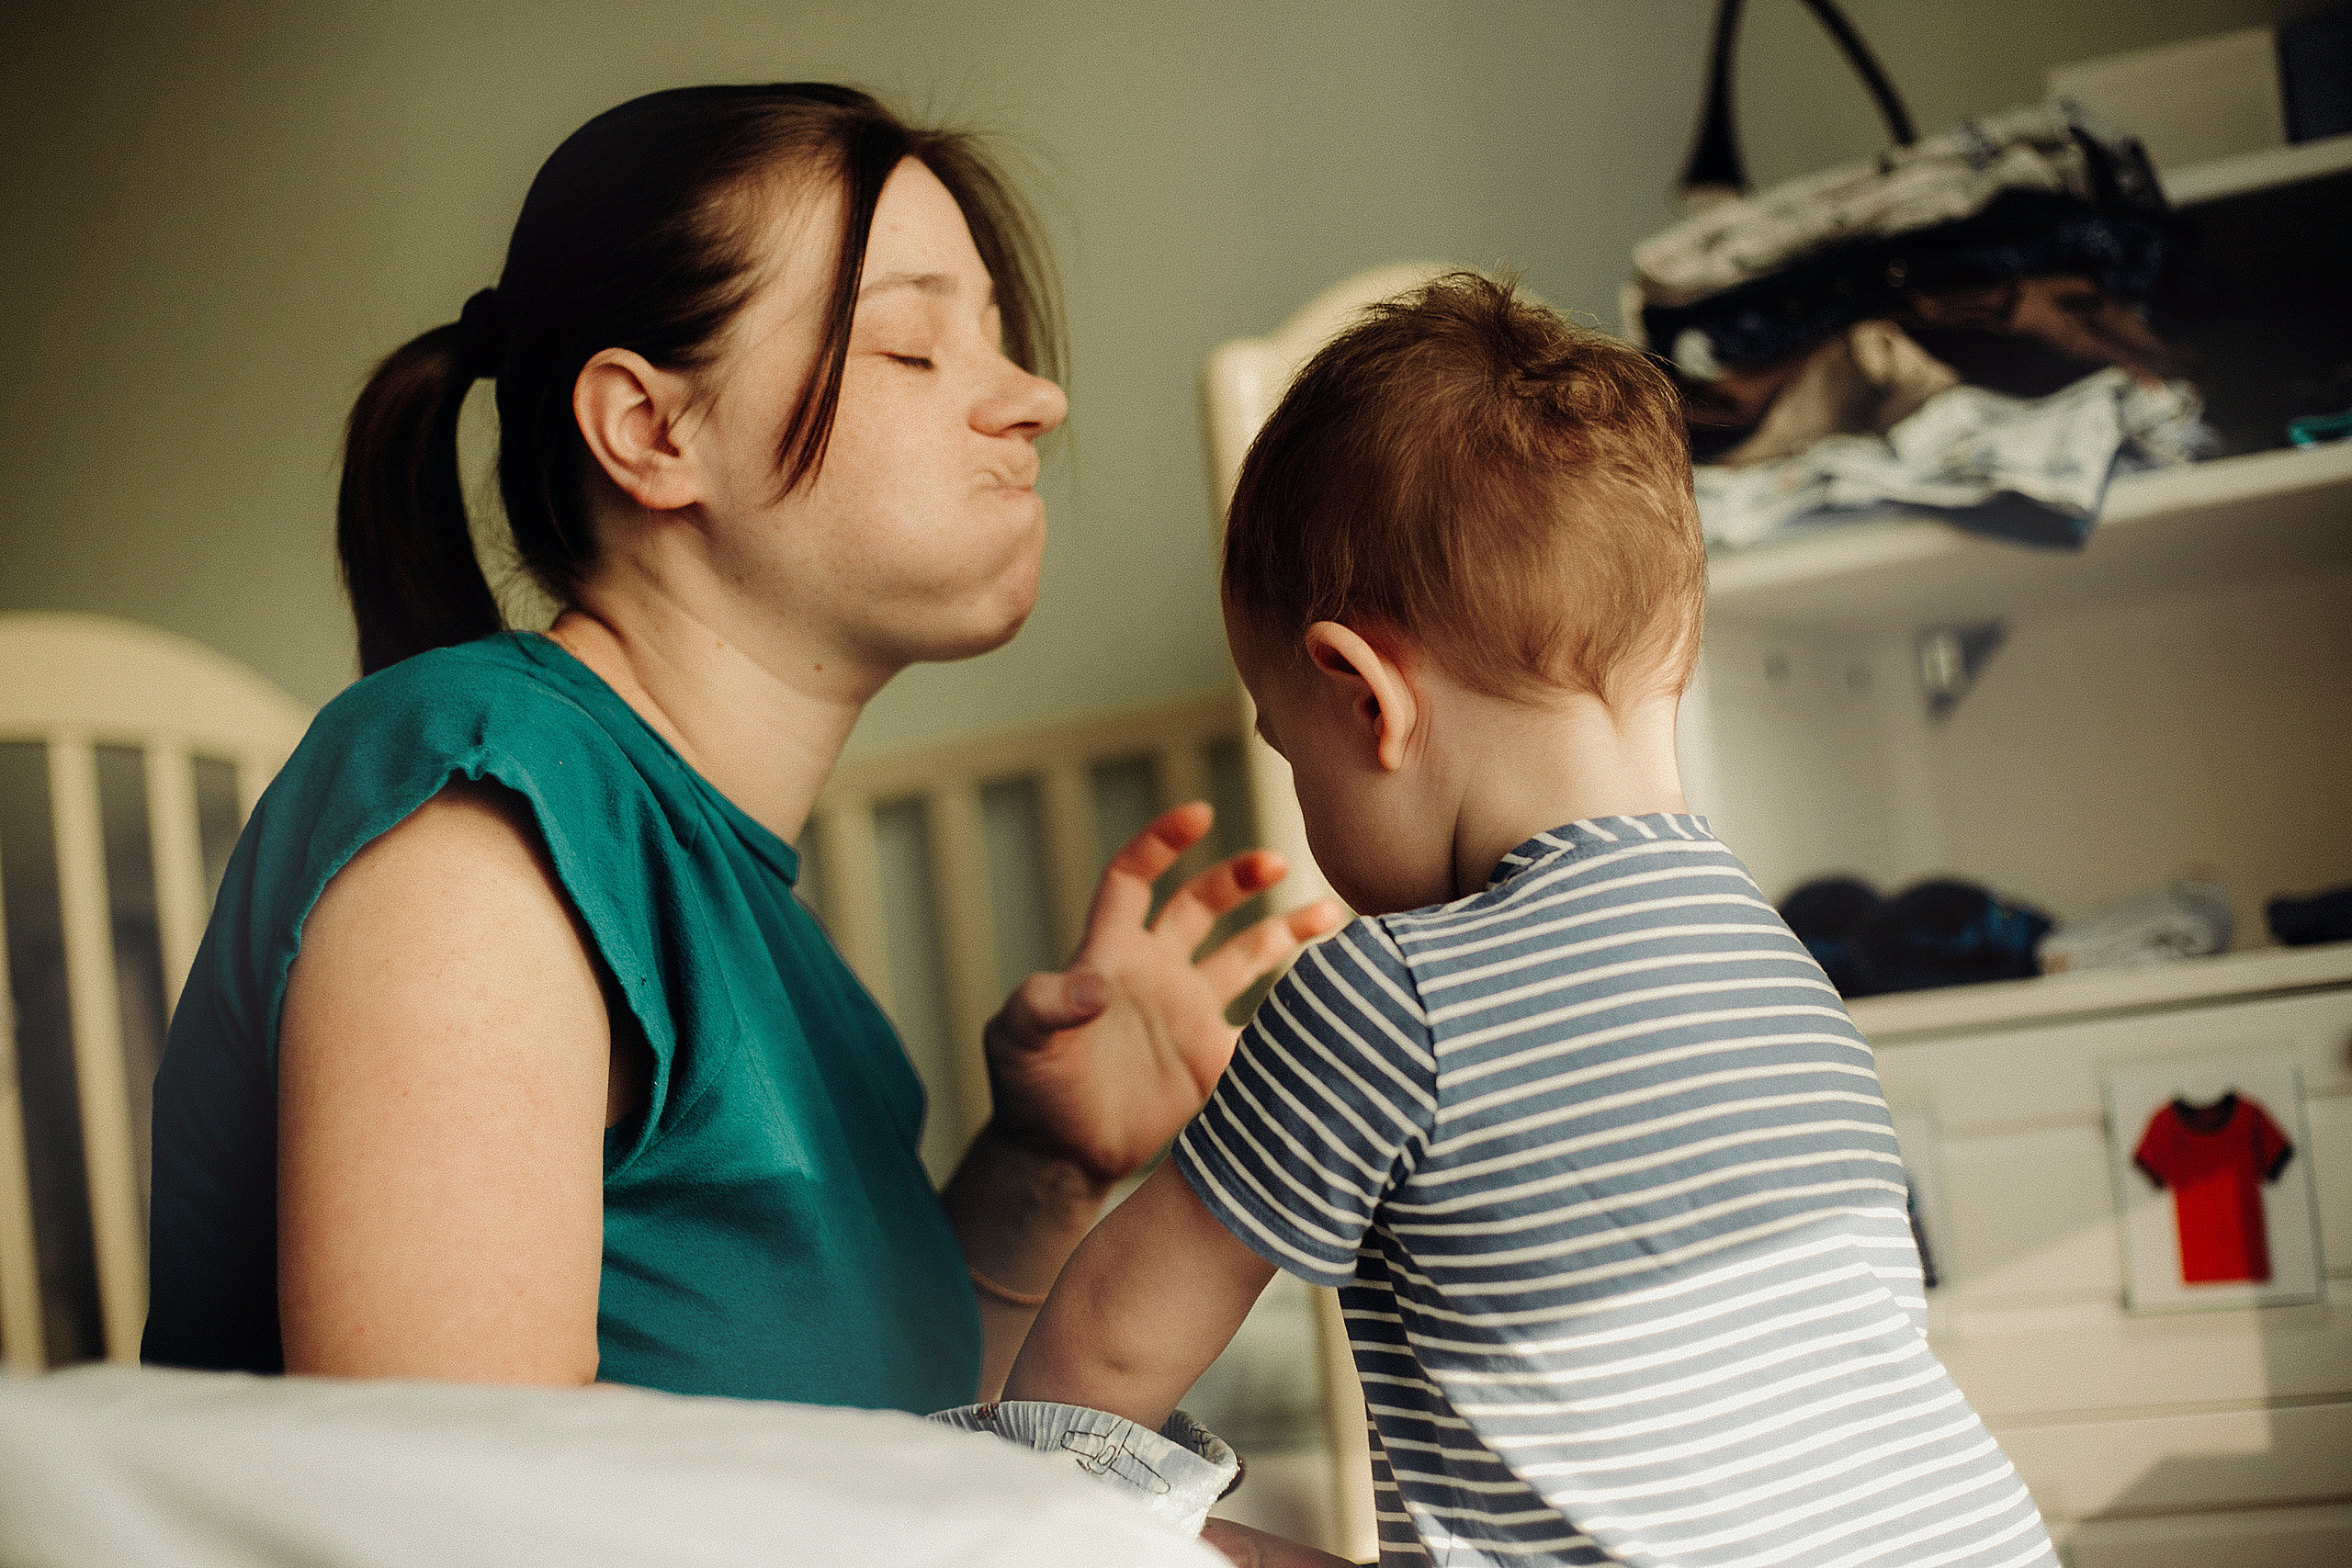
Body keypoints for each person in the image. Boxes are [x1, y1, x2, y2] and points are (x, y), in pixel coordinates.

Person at [141, 83, 1351, 1560]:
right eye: (913, 342)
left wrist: (1041, 1176)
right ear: (649, 430)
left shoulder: (781, 954)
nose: (1036, 397)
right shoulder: (474, 799)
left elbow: (897, 1462)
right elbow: (451, 1522)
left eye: (1000, 335)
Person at [993, 274, 2059, 1568]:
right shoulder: (1784, 971)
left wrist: (1018, 1524)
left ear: (1362, 698)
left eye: (1287, 748)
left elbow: (1106, 1346)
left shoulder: (1389, 994)